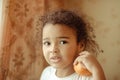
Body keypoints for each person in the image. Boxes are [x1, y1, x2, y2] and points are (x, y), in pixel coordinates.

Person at [40, 9, 106, 80]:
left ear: (80, 45)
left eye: (63, 42)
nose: (53, 49)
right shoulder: (46, 73)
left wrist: (96, 70)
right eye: (47, 43)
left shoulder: (86, 77)